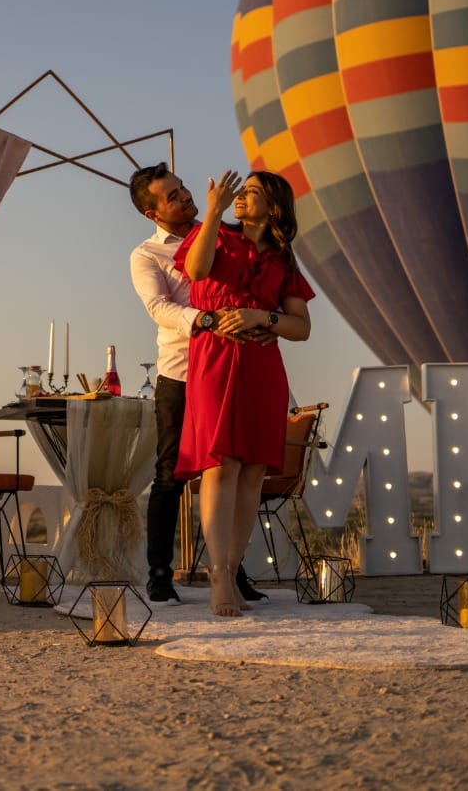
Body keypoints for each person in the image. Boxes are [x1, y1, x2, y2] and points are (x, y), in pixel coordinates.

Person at [127, 162, 274, 605]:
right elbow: (159, 308)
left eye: (183, 188)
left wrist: (268, 321)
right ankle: (159, 573)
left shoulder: (228, 235)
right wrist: (208, 320)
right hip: (183, 373)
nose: (186, 197)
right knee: (171, 474)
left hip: (235, 367)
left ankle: (230, 571)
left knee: (236, 466)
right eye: (172, 196)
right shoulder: (146, 256)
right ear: (152, 213)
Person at [174, 169, 313, 617]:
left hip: (262, 366)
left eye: (251, 193)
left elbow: (301, 327)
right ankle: (216, 572)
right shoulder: (213, 233)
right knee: (221, 463)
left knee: (253, 469)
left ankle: (231, 569)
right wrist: (213, 209)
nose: (240, 197)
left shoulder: (284, 260)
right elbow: (195, 270)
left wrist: (262, 317)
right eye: (240, 191)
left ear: (273, 206)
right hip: (214, 358)